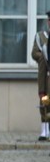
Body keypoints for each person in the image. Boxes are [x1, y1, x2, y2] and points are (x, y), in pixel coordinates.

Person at [31, 12, 50, 141]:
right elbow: (34, 53)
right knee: (45, 101)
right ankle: (44, 129)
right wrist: (44, 57)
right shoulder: (41, 36)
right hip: (47, 75)